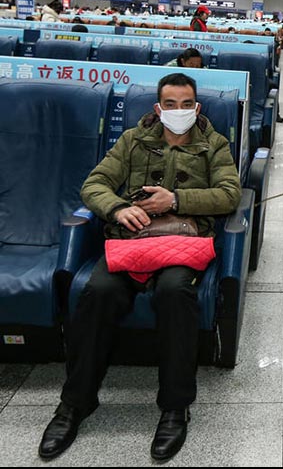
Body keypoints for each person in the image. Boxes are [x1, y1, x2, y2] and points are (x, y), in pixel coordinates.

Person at [38, 73, 242, 461]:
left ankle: (174, 408)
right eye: (170, 104)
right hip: (131, 242)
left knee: (174, 292)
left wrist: (176, 200)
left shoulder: (214, 144)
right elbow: (94, 184)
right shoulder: (133, 140)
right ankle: (75, 404)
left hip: (182, 244)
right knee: (98, 292)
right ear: (158, 108)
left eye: (186, 104)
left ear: (197, 108)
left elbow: (230, 194)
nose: (178, 111)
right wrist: (118, 207)